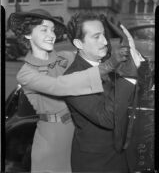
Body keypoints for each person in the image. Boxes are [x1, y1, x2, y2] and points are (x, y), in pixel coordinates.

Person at [8, 9, 129, 172]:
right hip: (52, 139)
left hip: (76, 136)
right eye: (44, 30)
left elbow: (91, 50)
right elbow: (59, 86)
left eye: (52, 30)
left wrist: (115, 39)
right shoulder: (26, 73)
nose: (51, 35)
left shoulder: (66, 56)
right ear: (28, 35)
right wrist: (108, 65)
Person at [64, 12, 142, 173]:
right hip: (96, 163)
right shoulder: (72, 78)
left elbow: (131, 97)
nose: (105, 41)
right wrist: (128, 75)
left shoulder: (110, 62)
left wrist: (137, 65)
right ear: (79, 43)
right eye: (96, 37)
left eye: (104, 35)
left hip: (122, 155)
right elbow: (106, 118)